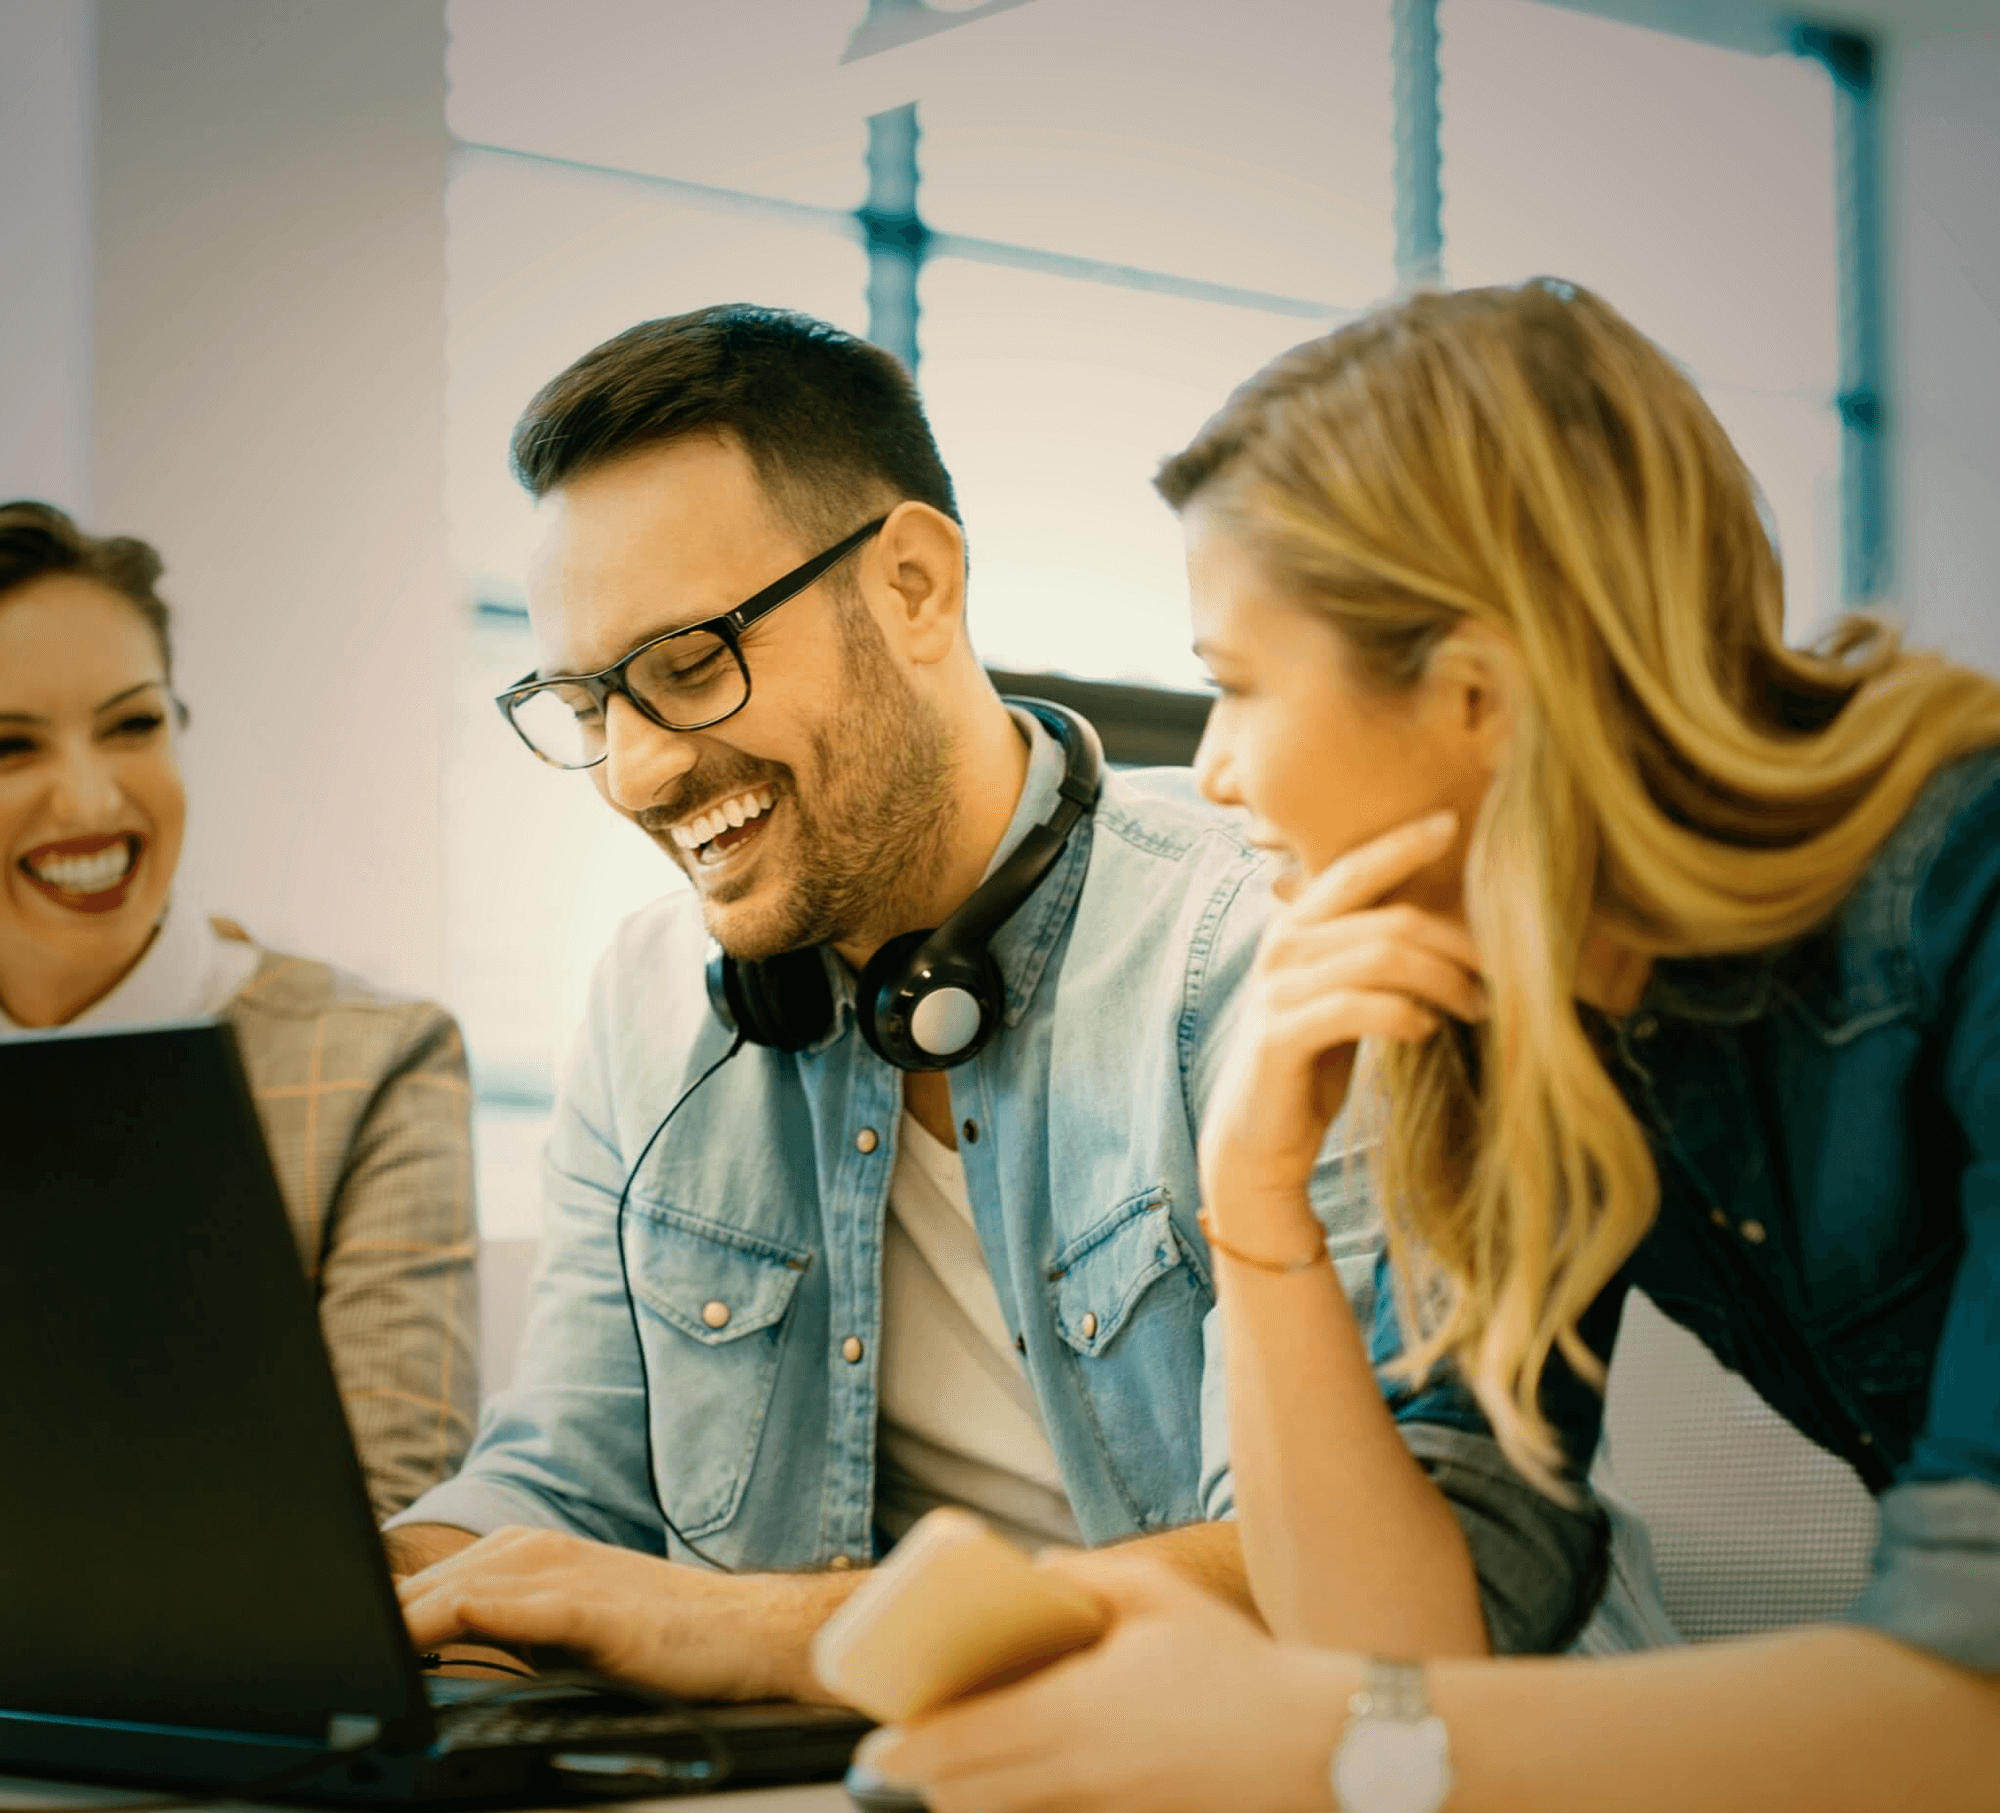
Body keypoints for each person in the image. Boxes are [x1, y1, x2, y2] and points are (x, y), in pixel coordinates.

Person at [867, 280, 2000, 1813]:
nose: (1209, 769)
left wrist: (1318, 1740)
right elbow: (1411, 1638)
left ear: (1477, 696)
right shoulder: (1525, 1014)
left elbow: (1974, 1723)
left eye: (1241, 683)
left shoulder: (1975, 898)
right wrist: (1255, 1209)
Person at [389, 305, 1402, 1700]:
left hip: (1343, 1810)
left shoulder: (1262, 942)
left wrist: (741, 1633)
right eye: (585, 706)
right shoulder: (645, 1003)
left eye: (688, 667)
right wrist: (356, 1594)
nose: (633, 773)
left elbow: (1347, 1575)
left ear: (916, 586)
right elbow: (569, 1482)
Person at [0, 501, 479, 1521]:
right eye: (10, 746)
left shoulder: (373, 1060)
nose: (89, 803)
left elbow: (391, 1524)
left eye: (133, 724)